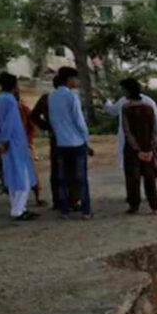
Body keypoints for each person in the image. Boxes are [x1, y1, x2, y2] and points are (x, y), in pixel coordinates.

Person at [0, 73, 38, 221]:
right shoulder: (10, 101)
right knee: (23, 178)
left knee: (12, 176)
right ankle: (18, 210)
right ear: (15, 86)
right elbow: (10, 123)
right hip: (14, 142)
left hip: (6, 143)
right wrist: (5, 139)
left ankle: (18, 207)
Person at [48, 66, 94, 220]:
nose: (77, 81)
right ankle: (86, 211)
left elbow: (53, 120)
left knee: (62, 177)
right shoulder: (72, 97)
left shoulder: (51, 97)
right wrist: (86, 139)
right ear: (69, 80)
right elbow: (79, 121)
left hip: (60, 142)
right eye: (75, 79)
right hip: (76, 142)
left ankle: (65, 210)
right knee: (80, 178)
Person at [98, 78, 157, 176]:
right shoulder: (123, 101)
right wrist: (103, 98)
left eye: (124, 90)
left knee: (147, 170)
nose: (123, 92)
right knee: (132, 169)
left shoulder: (148, 102)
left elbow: (155, 123)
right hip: (128, 141)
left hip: (145, 139)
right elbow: (113, 110)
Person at [29, 73, 74, 211]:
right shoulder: (70, 97)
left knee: (57, 169)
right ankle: (71, 200)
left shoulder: (47, 98)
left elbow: (33, 115)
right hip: (71, 137)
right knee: (70, 169)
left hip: (56, 136)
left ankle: (58, 200)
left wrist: (47, 126)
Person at [118, 78, 157, 214]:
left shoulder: (126, 108)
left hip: (133, 149)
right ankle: (155, 206)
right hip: (147, 146)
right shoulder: (148, 107)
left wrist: (136, 149)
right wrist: (150, 148)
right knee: (150, 178)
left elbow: (127, 131)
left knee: (133, 178)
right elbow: (154, 128)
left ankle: (134, 205)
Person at [18, 99, 46, 207]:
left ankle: (37, 195)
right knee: (30, 169)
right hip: (15, 143)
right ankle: (37, 196)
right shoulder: (22, 109)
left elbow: (32, 127)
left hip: (21, 143)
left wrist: (28, 141)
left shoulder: (23, 110)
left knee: (30, 169)